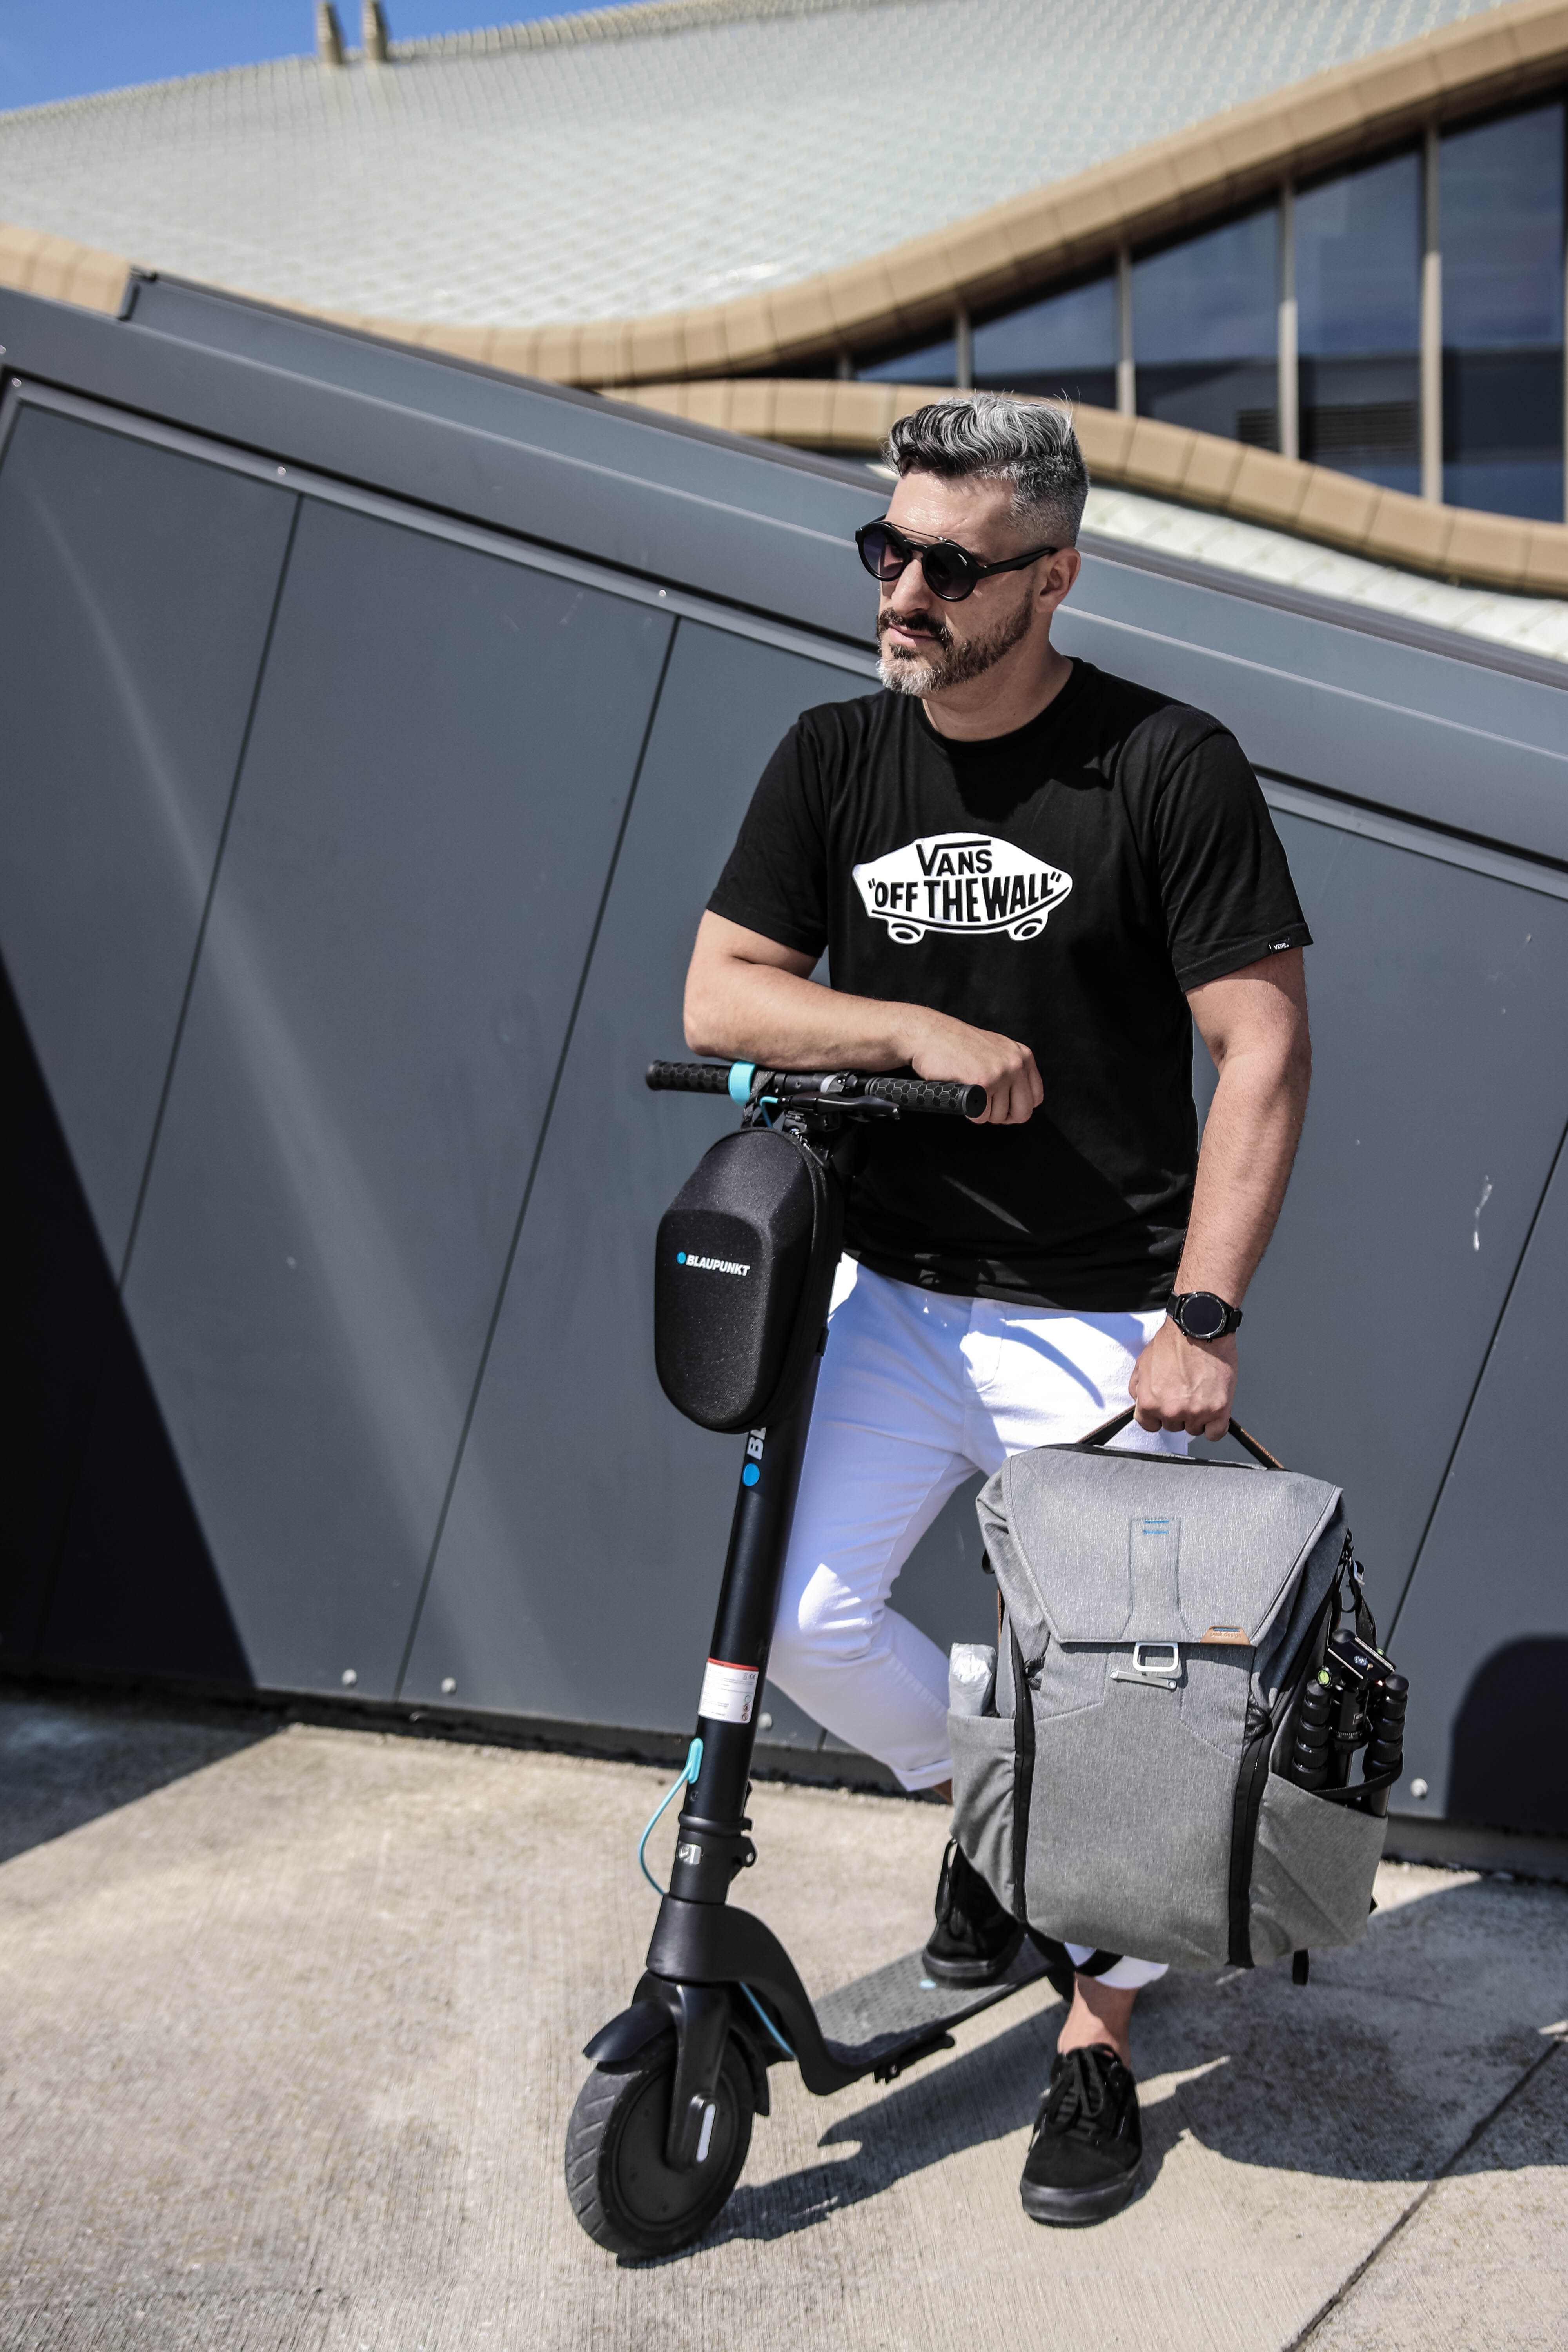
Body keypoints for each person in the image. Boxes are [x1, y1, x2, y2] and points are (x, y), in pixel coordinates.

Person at [682, 393, 1312, 2225]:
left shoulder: (1165, 766)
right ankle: (997, 1816)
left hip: (1102, 1318)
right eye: (886, 549)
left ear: (1051, 579)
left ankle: (1095, 2043)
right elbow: (724, 993)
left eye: (948, 566)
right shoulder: (832, 757)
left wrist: (1202, 1313)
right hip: (893, 1297)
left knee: (1125, 1711)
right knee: (800, 1619)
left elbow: (1262, 1050)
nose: (903, 589)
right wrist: (909, 1029)